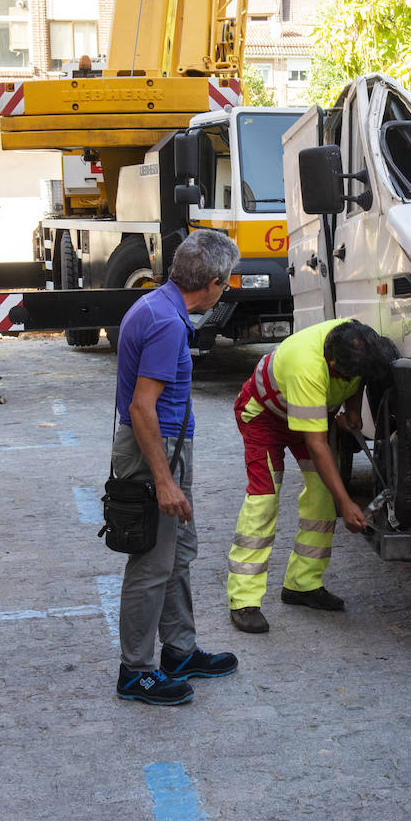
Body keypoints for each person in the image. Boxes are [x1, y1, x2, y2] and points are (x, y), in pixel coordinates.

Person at [112, 229, 241, 705]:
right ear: (211, 281)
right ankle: (136, 671)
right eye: (225, 283)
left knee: (177, 554)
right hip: (155, 451)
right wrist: (164, 481)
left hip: (165, 448)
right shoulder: (167, 322)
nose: (224, 290)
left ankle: (179, 651)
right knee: (152, 563)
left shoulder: (157, 307)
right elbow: (143, 409)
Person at [225, 318, 398, 634]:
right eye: (344, 373)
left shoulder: (359, 341)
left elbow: (356, 378)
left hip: (311, 414)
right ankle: (243, 600)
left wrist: (354, 411)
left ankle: (302, 584)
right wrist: (346, 503)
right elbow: (316, 444)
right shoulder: (308, 366)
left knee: (321, 496)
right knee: (264, 499)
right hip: (265, 418)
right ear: (332, 362)